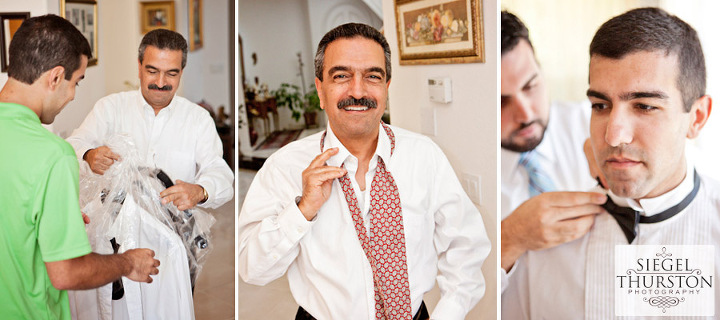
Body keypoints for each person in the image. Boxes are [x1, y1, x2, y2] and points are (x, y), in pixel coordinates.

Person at [238, 23, 491, 320]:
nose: (357, 91)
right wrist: (302, 210)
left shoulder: (425, 157)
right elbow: (251, 270)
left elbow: (466, 247)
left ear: (386, 88)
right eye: (341, 76)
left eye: (372, 76)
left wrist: (448, 313)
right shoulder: (285, 167)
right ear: (320, 89)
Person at [502, 7, 718, 318]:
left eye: (644, 106)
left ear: (696, 118)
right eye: (600, 105)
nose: (614, 136)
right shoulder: (536, 247)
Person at [0, 14, 159, 320]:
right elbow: (66, 273)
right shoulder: (52, 155)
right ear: (56, 77)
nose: (72, 95)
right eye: (76, 82)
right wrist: (128, 263)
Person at [66, 28, 233, 211]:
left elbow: (221, 175)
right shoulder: (110, 108)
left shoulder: (198, 119)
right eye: (152, 71)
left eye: (171, 74)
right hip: (113, 234)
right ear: (139, 67)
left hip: (173, 235)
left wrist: (201, 191)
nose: (160, 83)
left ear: (181, 72)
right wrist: (88, 154)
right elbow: (70, 147)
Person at [499, 10, 605, 287]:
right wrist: (510, 238)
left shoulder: (592, 123)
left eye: (531, 86)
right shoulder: (462, 173)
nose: (525, 113)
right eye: (501, 102)